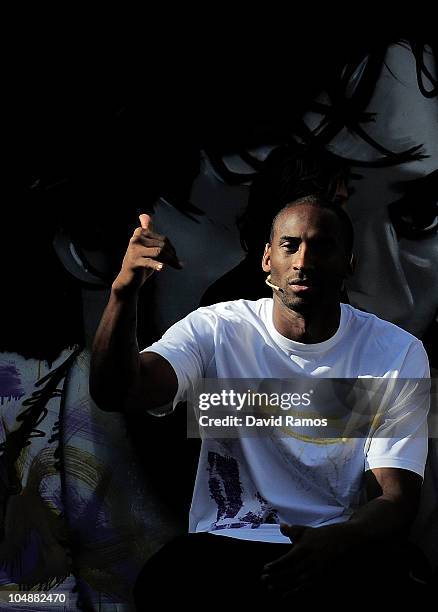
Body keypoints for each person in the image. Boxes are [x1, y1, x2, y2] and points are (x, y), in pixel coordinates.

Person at [90, 196, 431, 604]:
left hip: (339, 545)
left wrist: (339, 540)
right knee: (167, 580)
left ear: (349, 263)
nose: (304, 261)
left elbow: (396, 497)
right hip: (225, 544)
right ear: (268, 258)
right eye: (290, 246)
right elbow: (118, 392)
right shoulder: (217, 328)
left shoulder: (395, 351)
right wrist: (123, 293)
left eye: (322, 246)